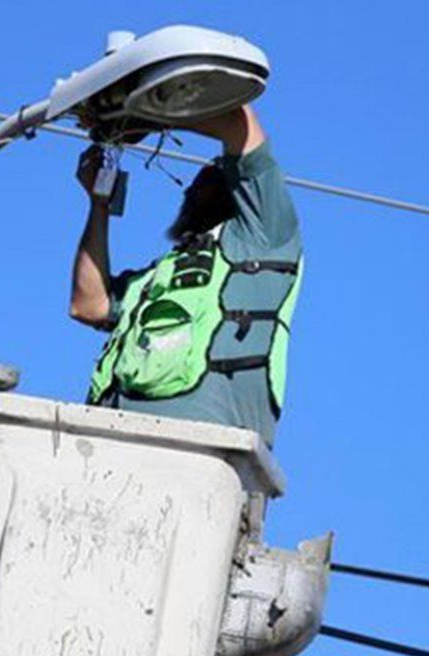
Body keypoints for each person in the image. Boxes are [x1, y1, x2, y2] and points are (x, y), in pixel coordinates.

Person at [70, 105, 302, 448]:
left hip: (201, 453)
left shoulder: (263, 237)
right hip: (110, 443)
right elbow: (88, 305)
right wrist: (98, 205)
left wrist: (143, 114)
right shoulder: (155, 278)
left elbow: (239, 123)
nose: (188, 191)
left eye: (203, 180)